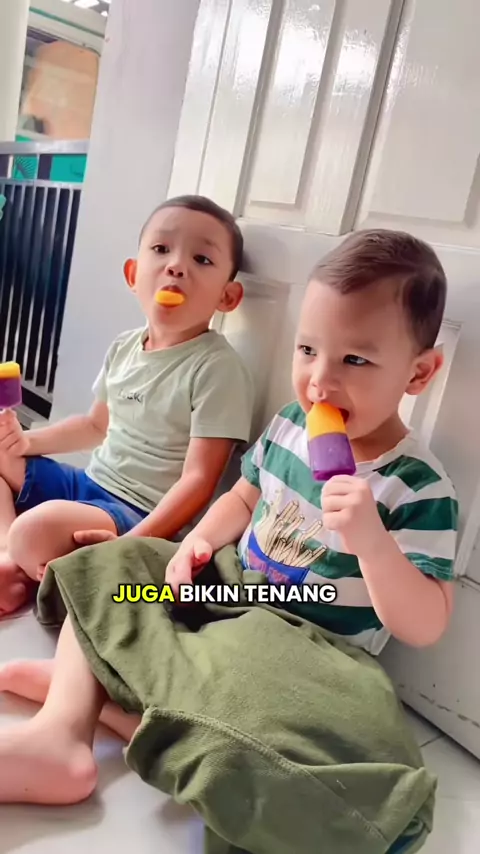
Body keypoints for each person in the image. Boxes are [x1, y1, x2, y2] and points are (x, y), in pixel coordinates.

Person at [0, 229, 457, 822]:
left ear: (419, 374)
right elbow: (242, 497)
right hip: (225, 591)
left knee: (261, 727)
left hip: (302, 647)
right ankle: (61, 731)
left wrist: (371, 542)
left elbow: (425, 623)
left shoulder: (419, 487)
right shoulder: (291, 424)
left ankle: (106, 695)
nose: (319, 381)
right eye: (307, 350)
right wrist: (199, 539)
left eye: (355, 360)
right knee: (114, 571)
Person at [0, 195, 254, 617]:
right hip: (87, 484)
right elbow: (93, 426)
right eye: (161, 249)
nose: (176, 266)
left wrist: (132, 542)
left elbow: (198, 481)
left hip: (134, 512)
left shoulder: (217, 368)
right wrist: (25, 443)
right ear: (134, 275)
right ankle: (11, 557)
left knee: (35, 529)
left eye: (202, 259)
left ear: (228, 297)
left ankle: (23, 557)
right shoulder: (125, 346)